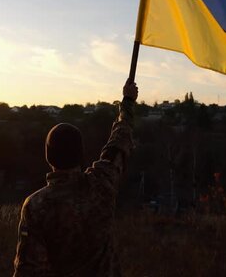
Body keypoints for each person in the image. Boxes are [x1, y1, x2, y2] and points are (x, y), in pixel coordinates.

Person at [13, 79, 138, 277]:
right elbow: (119, 142)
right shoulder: (102, 184)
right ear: (80, 154)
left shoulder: (36, 206)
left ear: (48, 156)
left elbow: (29, 270)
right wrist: (128, 101)